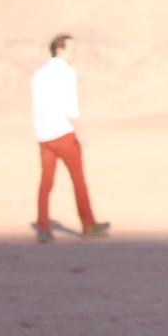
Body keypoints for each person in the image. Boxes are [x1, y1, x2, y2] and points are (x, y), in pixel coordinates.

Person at [30, 33, 110, 243]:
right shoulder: (66, 72)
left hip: (44, 135)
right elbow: (69, 106)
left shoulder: (39, 74)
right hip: (63, 133)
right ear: (60, 50)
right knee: (78, 180)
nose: (74, 53)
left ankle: (44, 227)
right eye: (71, 49)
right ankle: (88, 224)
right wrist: (80, 133)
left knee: (46, 182)